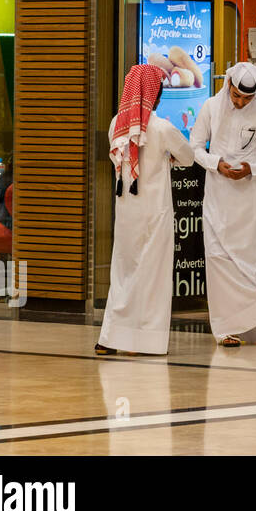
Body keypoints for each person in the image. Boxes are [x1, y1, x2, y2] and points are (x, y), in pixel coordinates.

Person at [97, 64, 195, 356]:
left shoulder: (117, 124)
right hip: (155, 213)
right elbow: (188, 157)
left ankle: (111, 337)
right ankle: (146, 342)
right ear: (156, 94)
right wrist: (167, 161)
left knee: (124, 272)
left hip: (126, 212)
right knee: (153, 276)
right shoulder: (162, 128)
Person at [190, 62, 256, 347]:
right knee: (217, 259)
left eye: (246, 98)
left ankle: (255, 319)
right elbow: (196, 147)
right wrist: (215, 163)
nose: (240, 101)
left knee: (244, 266)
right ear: (229, 86)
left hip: (246, 200)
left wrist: (251, 169)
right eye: (235, 95)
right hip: (217, 194)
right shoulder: (211, 106)